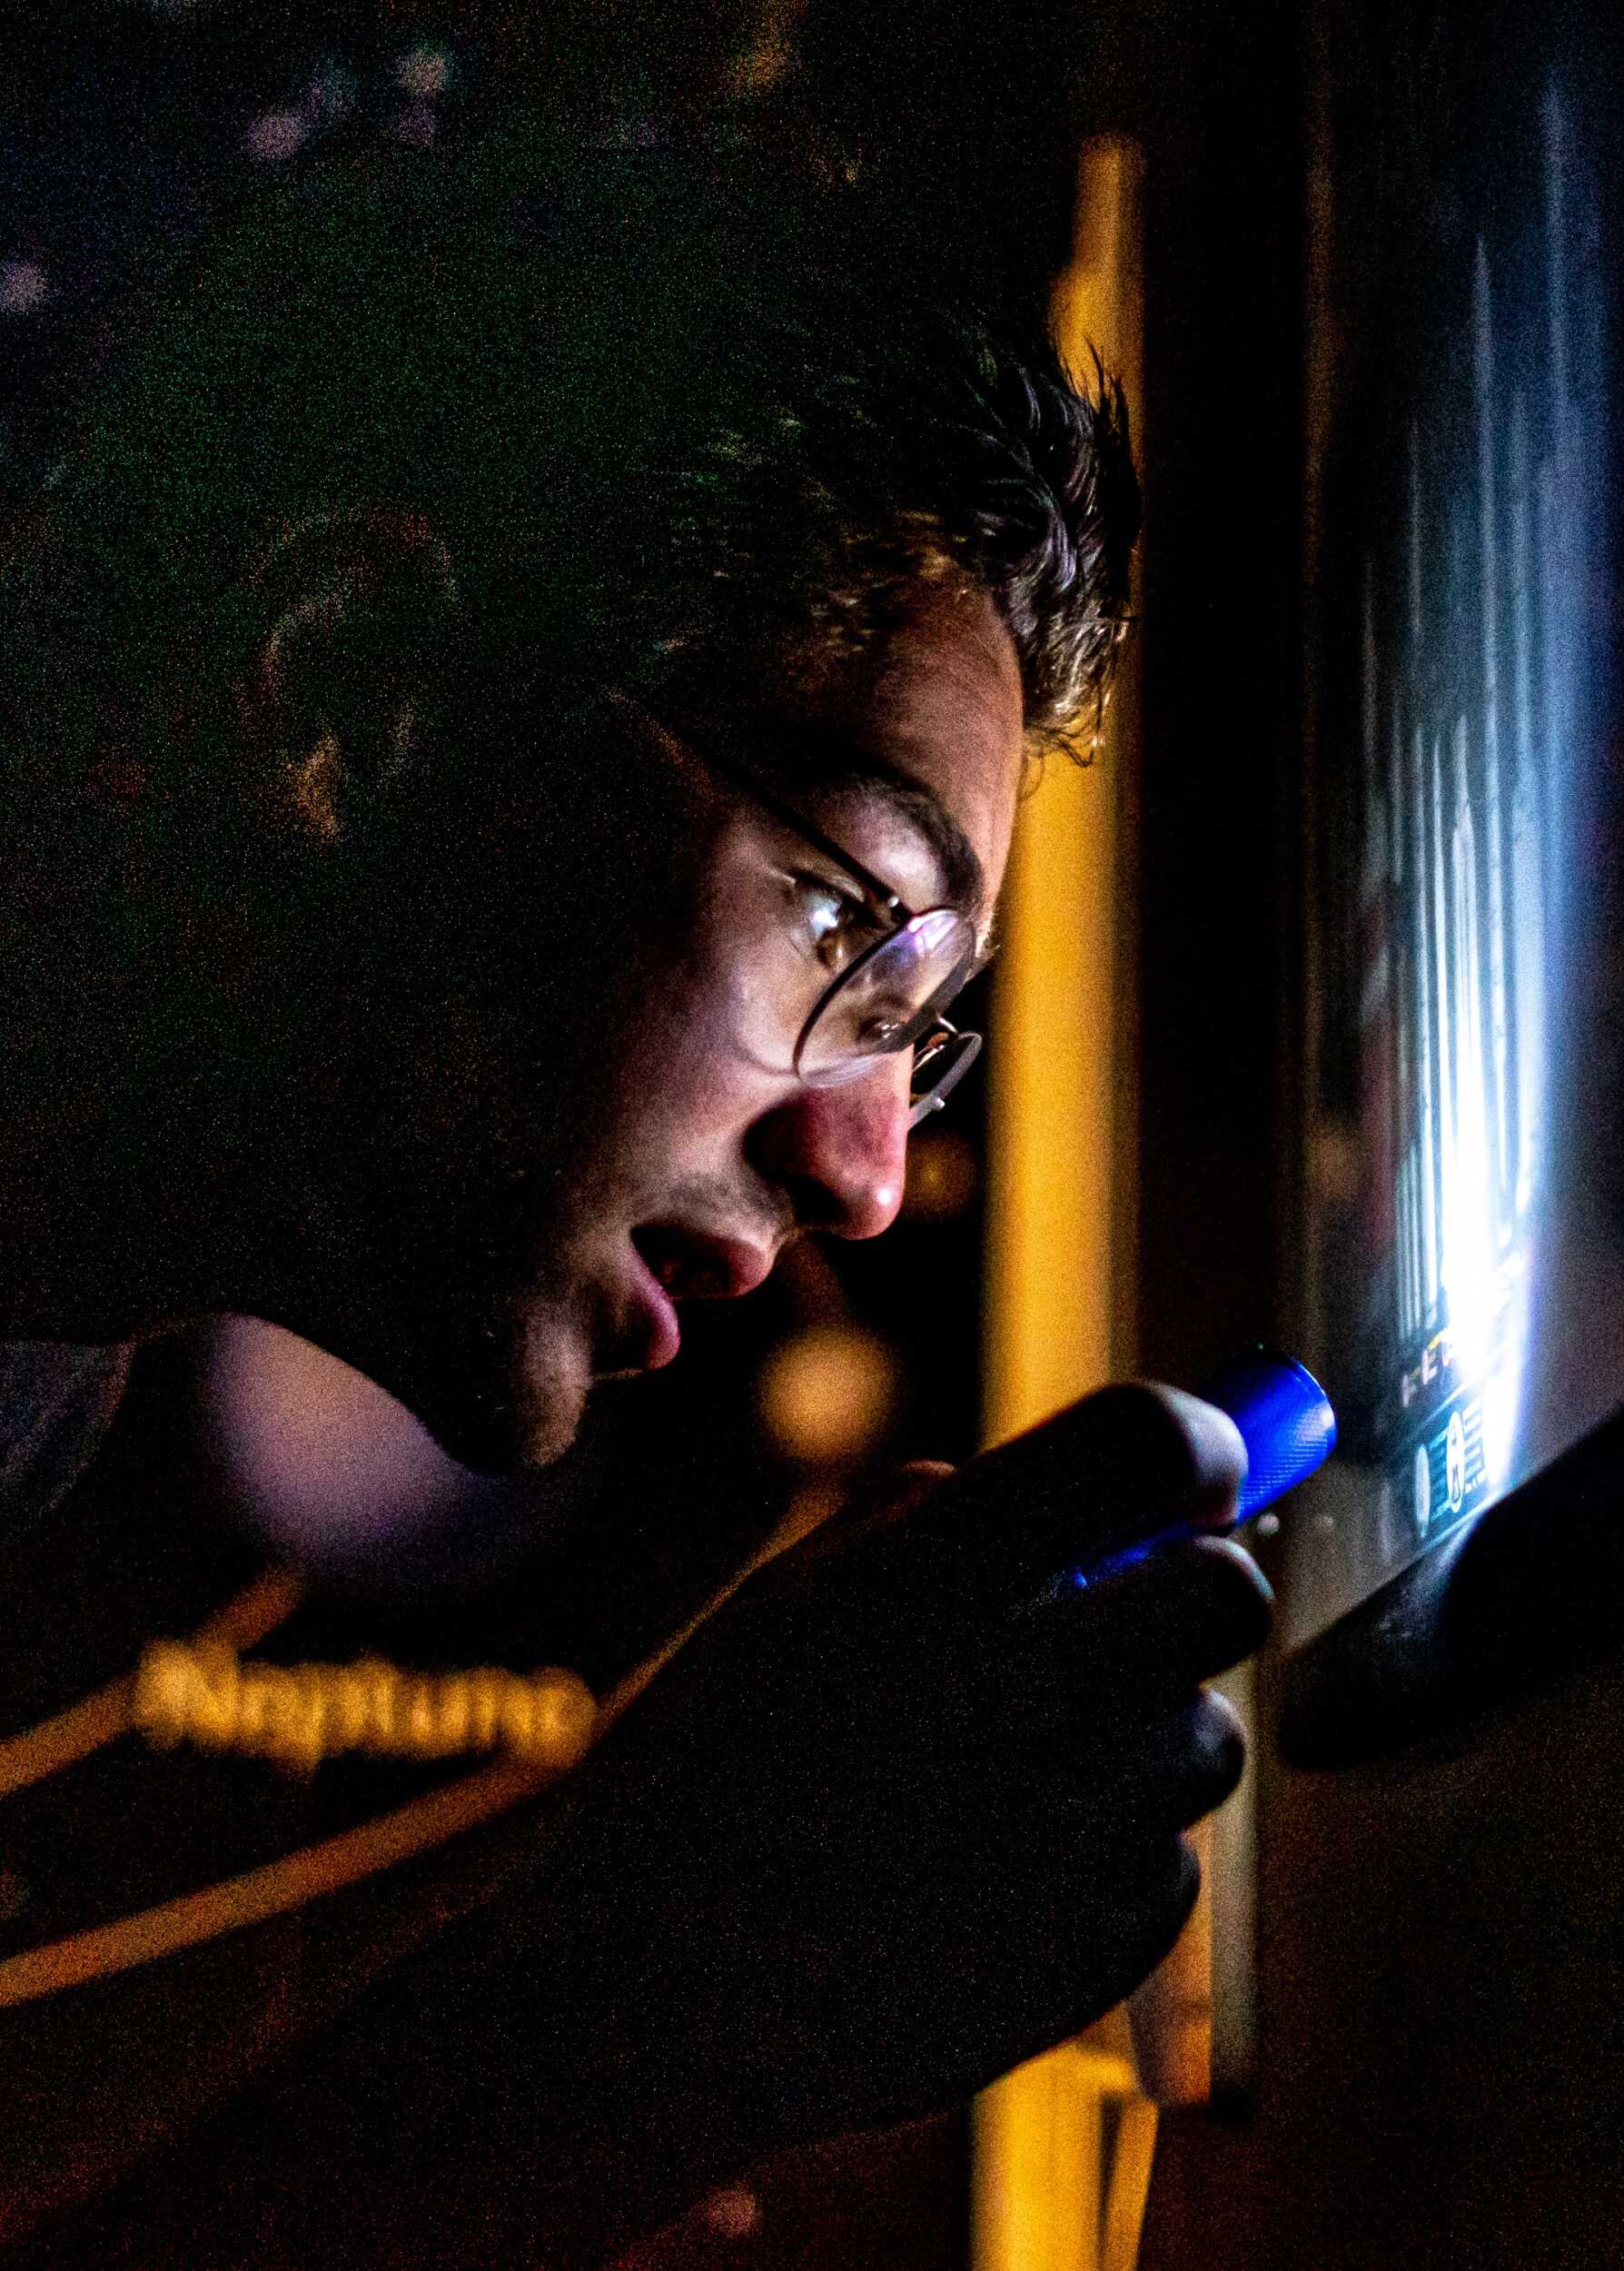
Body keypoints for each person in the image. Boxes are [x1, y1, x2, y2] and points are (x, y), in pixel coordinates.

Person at [0, 127, 1272, 2266]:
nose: (866, 1172)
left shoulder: (43, 1368)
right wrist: (633, 2016)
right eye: (849, 923)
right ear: (352, 688)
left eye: (918, 1034)